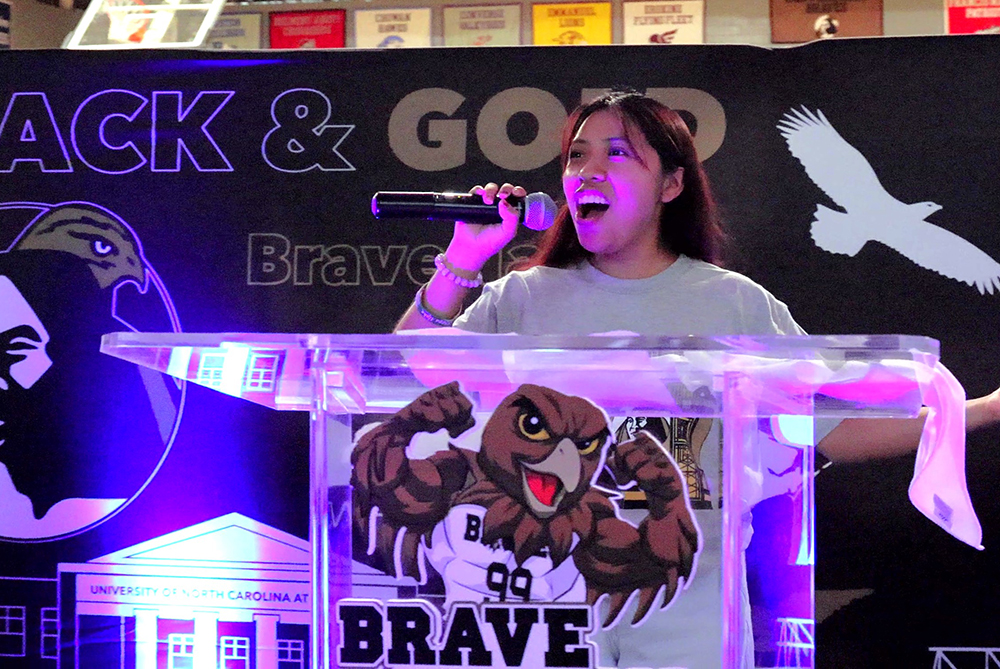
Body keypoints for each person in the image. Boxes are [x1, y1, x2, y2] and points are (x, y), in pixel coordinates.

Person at [393, 90, 1000, 668]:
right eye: (577, 155)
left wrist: (978, 411)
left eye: (618, 153)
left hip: (688, 589)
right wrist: (463, 261)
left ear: (673, 183)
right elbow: (405, 373)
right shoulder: (522, 298)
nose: (588, 171)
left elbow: (828, 429)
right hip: (538, 590)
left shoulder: (733, 304)